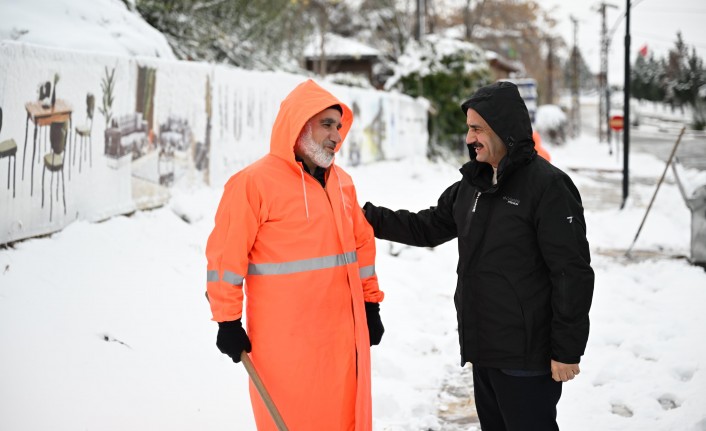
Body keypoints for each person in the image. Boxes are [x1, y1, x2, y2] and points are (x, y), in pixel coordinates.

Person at [363, 81, 594, 430]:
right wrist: (365, 217)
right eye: (468, 129)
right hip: (484, 348)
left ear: (503, 130)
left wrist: (566, 349)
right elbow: (427, 227)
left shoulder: (548, 187)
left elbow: (570, 272)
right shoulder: (474, 184)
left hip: (527, 355)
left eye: (477, 129)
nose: (469, 138)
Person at [205, 79, 385, 431]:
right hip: (284, 341)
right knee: (291, 419)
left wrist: (370, 304)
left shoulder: (342, 183)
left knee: (345, 418)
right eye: (326, 125)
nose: (336, 135)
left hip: (342, 338)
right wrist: (227, 321)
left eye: (339, 125)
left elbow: (362, 248)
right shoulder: (254, 183)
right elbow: (226, 259)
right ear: (299, 125)